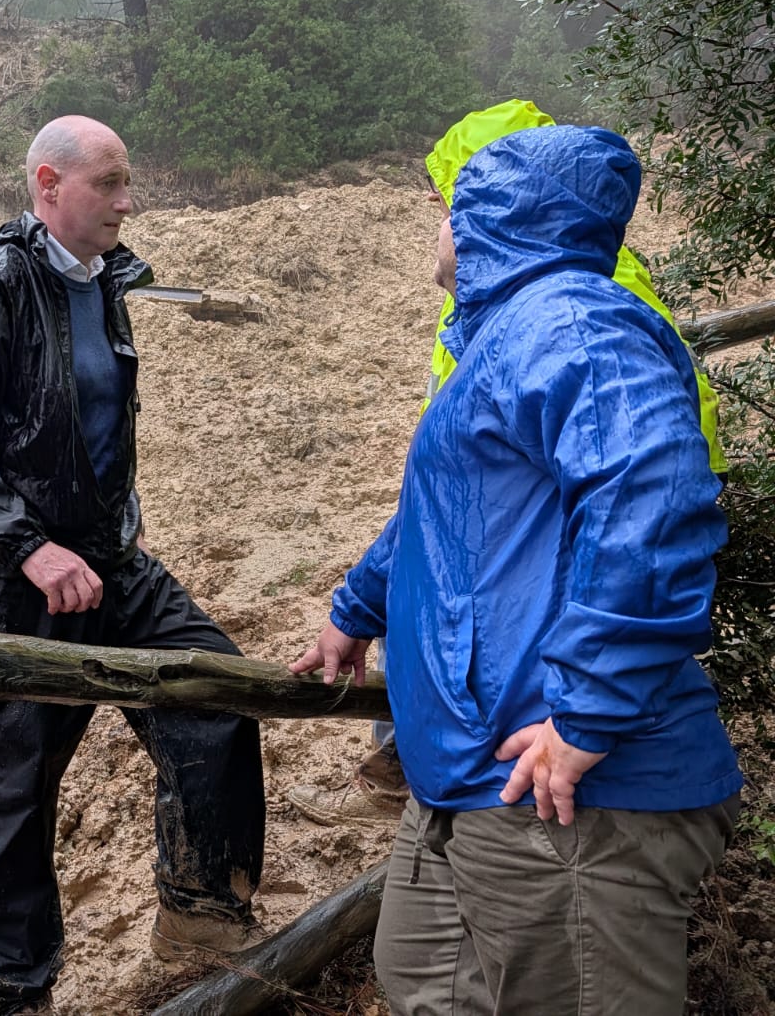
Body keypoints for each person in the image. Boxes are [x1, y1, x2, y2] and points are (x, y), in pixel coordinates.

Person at [290, 122, 742, 1015]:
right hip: (472, 770)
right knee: (422, 976)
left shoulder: (570, 320)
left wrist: (589, 712)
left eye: (450, 210)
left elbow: (653, 498)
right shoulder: (501, 341)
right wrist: (357, 606)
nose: (437, 229)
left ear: (493, 217)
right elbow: (444, 517)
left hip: (572, 791)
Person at [0, 115, 267, 1016]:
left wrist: (110, 524)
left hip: (108, 557)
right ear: (48, 184)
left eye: (126, 181)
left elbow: (92, 421)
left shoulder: (103, 280)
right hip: (9, 574)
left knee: (213, 688)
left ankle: (201, 913)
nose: (127, 200)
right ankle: (12, 976)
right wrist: (29, 548)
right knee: (16, 769)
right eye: (108, 183)